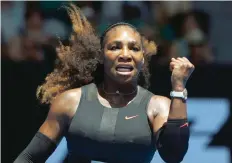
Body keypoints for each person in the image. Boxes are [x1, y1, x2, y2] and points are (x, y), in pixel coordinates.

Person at [14, 4, 194, 163]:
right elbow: (29, 158)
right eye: (115, 47)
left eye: (134, 48)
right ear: (101, 55)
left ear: (142, 59)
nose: (125, 54)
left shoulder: (157, 106)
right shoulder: (69, 102)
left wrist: (178, 89)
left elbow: (174, 155)